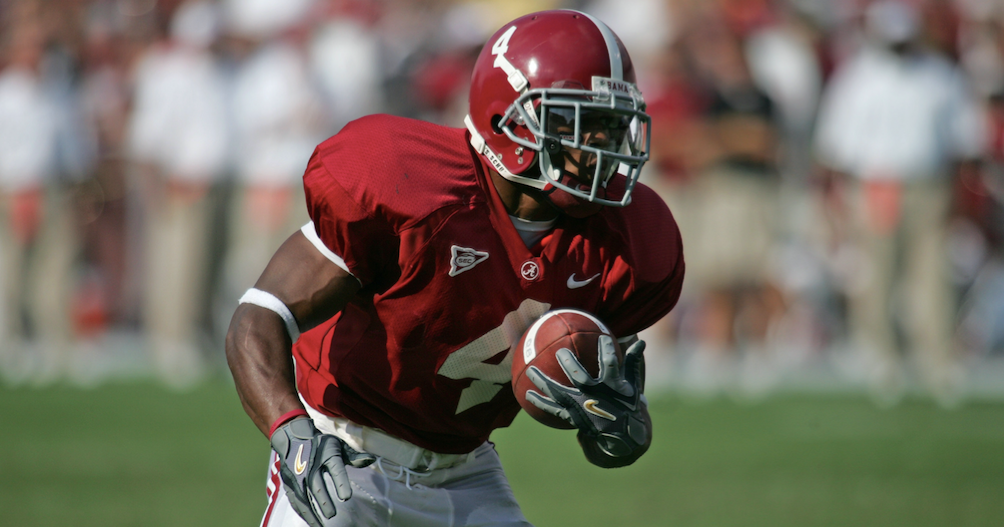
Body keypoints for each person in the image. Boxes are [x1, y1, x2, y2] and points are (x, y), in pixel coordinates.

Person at [225, 10, 684, 527]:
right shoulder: (411, 186)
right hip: (344, 454)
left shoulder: (623, 242)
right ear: (507, 119)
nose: (602, 147)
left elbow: (612, 439)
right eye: (581, 124)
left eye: (612, 126)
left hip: (465, 473)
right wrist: (291, 432)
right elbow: (257, 318)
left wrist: (621, 426)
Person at [812, 0, 985, 405]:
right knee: (878, 274)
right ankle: (881, 357)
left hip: (927, 184)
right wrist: (836, 201)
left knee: (932, 276)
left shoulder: (940, 76)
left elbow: (963, 139)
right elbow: (835, 146)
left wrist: (959, 194)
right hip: (875, 185)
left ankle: (937, 359)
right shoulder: (857, 77)